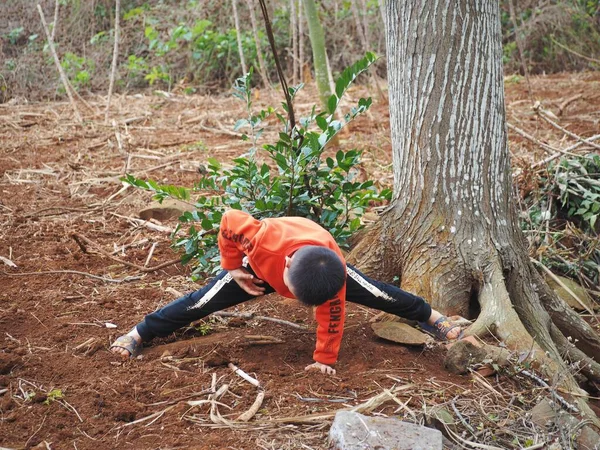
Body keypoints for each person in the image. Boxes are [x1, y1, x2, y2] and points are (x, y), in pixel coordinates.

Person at [110, 210, 462, 375]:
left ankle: (433, 318)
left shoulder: (332, 281)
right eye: (291, 292)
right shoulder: (261, 240)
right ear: (289, 264)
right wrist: (233, 265)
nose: (288, 297)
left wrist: (324, 360)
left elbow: (332, 320)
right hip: (255, 271)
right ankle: (138, 333)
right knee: (199, 301)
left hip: (320, 262)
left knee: (381, 294)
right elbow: (229, 220)